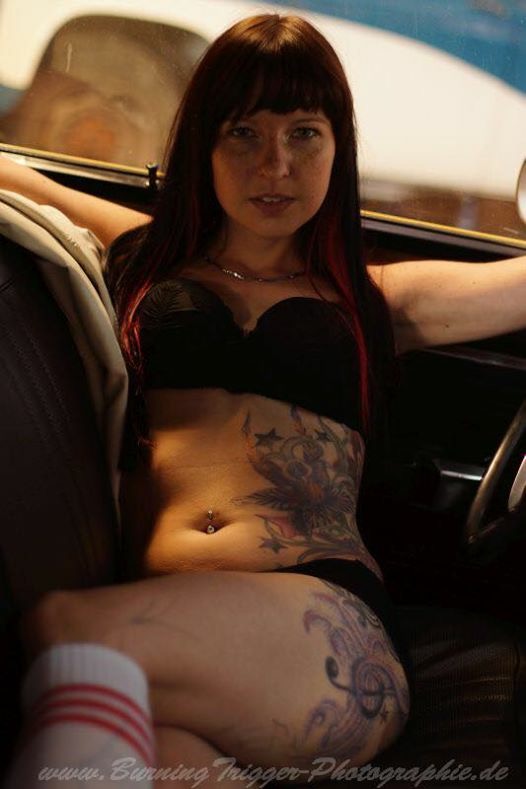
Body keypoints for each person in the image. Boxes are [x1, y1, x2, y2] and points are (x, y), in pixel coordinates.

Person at [1, 12, 526, 788]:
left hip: (325, 631)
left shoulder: (374, 299)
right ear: (204, 146)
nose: (273, 165)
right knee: (155, 754)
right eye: (243, 133)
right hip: (174, 625)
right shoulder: (145, 258)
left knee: (63, 628)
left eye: (303, 134)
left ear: (338, 147)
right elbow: (20, 180)